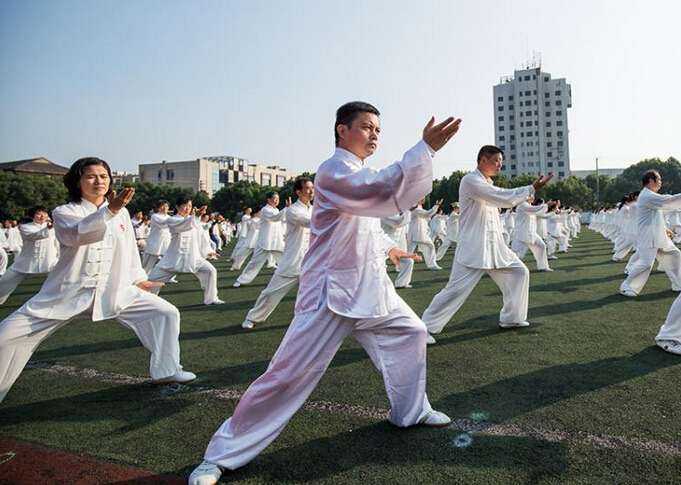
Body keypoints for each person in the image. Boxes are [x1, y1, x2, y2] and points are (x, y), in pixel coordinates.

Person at [188, 102, 462, 485]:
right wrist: (425, 150)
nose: (374, 135)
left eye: (378, 129)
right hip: (330, 293)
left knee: (411, 333)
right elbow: (381, 191)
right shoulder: (332, 171)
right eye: (366, 127)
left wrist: (390, 248)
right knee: (287, 375)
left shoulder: (355, 173)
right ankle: (220, 456)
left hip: (369, 287)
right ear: (341, 130)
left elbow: (362, 225)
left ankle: (411, 411)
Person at [0, 157, 196, 405]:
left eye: (103, 176)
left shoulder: (121, 212)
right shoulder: (65, 212)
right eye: (91, 176)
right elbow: (76, 235)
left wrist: (137, 278)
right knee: (4, 337)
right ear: (77, 182)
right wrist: (110, 210)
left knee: (166, 313)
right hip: (66, 293)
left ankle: (166, 371)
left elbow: (127, 248)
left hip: (113, 290)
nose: (99, 181)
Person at [420, 145, 553, 344]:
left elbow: (501, 198)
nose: (500, 164)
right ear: (483, 160)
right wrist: (530, 189)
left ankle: (511, 318)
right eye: (496, 160)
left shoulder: (488, 184)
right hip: (473, 247)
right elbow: (502, 197)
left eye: (501, 161)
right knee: (454, 290)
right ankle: (423, 329)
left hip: (495, 248)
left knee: (519, 273)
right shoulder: (471, 180)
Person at [241, 178, 314, 329]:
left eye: (312, 187)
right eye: (307, 188)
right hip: (292, 261)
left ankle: (310, 320)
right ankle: (252, 318)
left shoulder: (314, 209)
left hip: (311, 263)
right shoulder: (293, 210)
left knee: (320, 294)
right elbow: (310, 222)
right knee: (271, 293)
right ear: (298, 192)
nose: (312, 191)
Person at [148, 196, 224, 305]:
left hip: (193, 258)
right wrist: (196, 216)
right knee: (152, 279)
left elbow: (201, 237)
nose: (187, 208)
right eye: (184, 206)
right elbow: (183, 226)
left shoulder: (194, 221)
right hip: (173, 259)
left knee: (211, 271)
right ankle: (148, 300)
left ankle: (211, 298)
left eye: (189, 206)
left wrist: (208, 251)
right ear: (177, 207)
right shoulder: (172, 220)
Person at [619, 170, 681, 297]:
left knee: (674, 254)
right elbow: (668, 201)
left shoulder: (649, 195)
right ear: (651, 181)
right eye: (659, 179)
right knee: (645, 263)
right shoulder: (647, 195)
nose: (661, 182)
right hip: (648, 236)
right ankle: (627, 287)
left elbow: (655, 216)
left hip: (657, 235)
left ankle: (678, 283)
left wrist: (664, 229)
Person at [0, 206, 59, 305]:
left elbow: (58, 243)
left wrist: (60, 257)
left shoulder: (55, 227)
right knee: (5, 283)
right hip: (26, 263)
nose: (42, 216)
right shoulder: (26, 227)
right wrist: (49, 228)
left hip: (49, 262)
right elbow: (35, 236)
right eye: (39, 214)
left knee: (65, 279)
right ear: (33, 216)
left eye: (44, 213)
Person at [233, 191, 286, 287]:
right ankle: (241, 280)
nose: (276, 201)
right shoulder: (265, 210)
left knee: (286, 259)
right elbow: (275, 218)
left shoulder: (277, 210)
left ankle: (293, 277)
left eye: (278, 199)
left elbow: (281, 218)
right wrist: (287, 209)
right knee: (254, 263)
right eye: (274, 199)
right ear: (268, 199)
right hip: (265, 242)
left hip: (276, 242)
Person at [511, 195, 552, 271]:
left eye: (533, 196)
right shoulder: (522, 205)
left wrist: (552, 212)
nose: (533, 197)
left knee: (541, 246)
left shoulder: (529, 206)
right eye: (530, 196)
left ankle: (543, 266)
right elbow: (531, 209)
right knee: (516, 254)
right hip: (521, 233)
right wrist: (546, 205)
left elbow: (539, 213)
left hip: (531, 233)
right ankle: (508, 268)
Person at [407, 198, 443, 270]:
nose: (423, 199)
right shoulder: (414, 207)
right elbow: (426, 214)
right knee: (430, 246)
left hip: (417, 233)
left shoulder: (418, 207)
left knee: (408, 252)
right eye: (422, 197)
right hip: (416, 233)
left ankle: (432, 265)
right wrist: (436, 206)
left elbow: (426, 217)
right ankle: (431, 265)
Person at [142, 200, 172, 274]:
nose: (164, 208)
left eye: (166, 206)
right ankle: (142, 277)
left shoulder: (170, 217)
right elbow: (162, 224)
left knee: (169, 261)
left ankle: (168, 277)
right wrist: (174, 221)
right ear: (158, 208)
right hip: (155, 242)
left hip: (166, 242)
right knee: (148, 264)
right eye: (162, 206)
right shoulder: (155, 216)